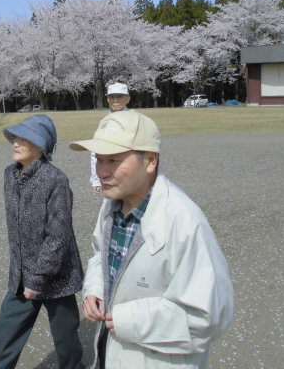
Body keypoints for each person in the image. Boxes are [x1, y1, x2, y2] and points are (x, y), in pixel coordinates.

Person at [69, 111, 234, 369]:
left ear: (150, 161)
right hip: (110, 354)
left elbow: (209, 317)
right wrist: (95, 289)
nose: (102, 171)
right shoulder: (111, 206)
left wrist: (128, 320)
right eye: (98, 159)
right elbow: (100, 255)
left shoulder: (184, 221)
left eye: (113, 160)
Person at [0, 114, 84, 369]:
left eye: (24, 139)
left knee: (66, 338)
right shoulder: (10, 175)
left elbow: (58, 235)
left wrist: (38, 279)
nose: (15, 143)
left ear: (40, 145)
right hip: (21, 275)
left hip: (58, 274)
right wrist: (25, 277)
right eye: (15, 138)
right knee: (7, 332)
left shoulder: (56, 180)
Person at [91, 82, 131, 194]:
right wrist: (95, 180)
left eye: (119, 96)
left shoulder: (136, 121)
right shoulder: (103, 123)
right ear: (108, 99)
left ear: (128, 99)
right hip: (109, 174)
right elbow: (95, 152)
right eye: (112, 97)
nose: (115, 100)